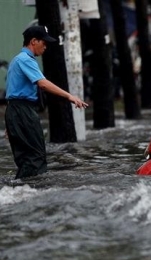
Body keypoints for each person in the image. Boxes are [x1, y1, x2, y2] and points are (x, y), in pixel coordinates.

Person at [5, 25, 88, 179]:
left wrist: (11, 123)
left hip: (16, 112)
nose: (46, 46)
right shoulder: (26, 60)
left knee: (26, 157)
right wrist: (69, 96)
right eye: (44, 42)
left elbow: (12, 92)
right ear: (34, 41)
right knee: (35, 157)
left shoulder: (17, 60)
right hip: (23, 111)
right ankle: (28, 192)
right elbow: (42, 83)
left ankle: (20, 190)